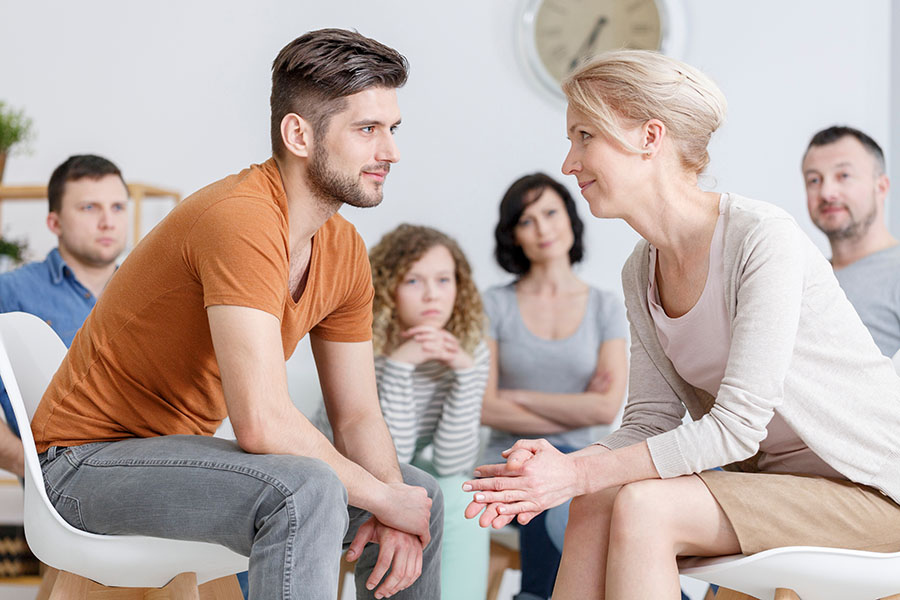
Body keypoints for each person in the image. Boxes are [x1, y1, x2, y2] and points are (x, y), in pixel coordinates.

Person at [463, 50, 900, 600]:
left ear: (650, 137)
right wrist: (563, 470)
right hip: (770, 491)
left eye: (584, 136)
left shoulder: (763, 238)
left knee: (645, 504)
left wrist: (574, 474)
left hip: (874, 492)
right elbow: (647, 421)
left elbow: (738, 425)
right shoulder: (639, 269)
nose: (569, 162)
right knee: (599, 496)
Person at [31, 29, 442, 600]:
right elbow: (263, 423)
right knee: (305, 491)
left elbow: (357, 418)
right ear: (298, 133)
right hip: (82, 467)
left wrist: (395, 501)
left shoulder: (343, 249)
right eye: (367, 129)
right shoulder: (241, 219)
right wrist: (381, 497)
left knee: (423, 497)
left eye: (392, 129)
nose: (391, 151)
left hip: (177, 457)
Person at [480, 173, 628, 600]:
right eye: (527, 221)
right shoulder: (495, 304)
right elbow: (485, 407)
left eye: (549, 212)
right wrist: (577, 403)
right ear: (514, 236)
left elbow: (605, 410)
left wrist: (517, 395)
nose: (543, 228)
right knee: (543, 482)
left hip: (580, 465)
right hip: (507, 461)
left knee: (576, 491)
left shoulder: (605, 307)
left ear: (570, 217)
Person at [368, 223, 491, 599]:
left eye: (443, 280)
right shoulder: (365, 347)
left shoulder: (470, 350)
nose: (432, 295)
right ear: (389, 288)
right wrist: (401, 367)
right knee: (414, 493)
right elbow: (393, 460)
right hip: (360, 469)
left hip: (420, 471)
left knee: (467, 494)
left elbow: (452, 461)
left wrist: (465, 374)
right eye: (413, 282)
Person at [0, 154, 128, 477]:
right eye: (89, 208)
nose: (108, 222)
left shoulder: (151, 291)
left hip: (148, 470)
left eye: (117, 207)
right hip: (66, 487)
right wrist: (31, 468)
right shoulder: (12, 293)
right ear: (54, 223)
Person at [802, 125, 900, 357]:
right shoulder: (804, 277)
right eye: (814, 180)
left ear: (882, 186)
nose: (827, 192)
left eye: (843, 176)